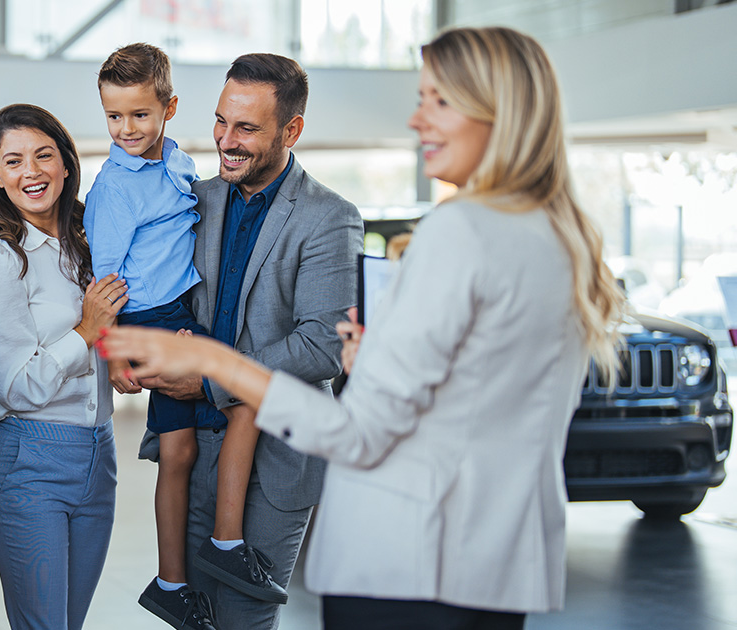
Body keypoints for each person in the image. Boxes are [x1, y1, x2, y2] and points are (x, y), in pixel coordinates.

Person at [99, 26, 627, 630]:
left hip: (410, 547)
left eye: (438, 100)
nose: (416, 120)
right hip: (497, 557)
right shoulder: (563, 239)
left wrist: (217, 369)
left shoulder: (449, 231)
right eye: (222, 122)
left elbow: (362, 430)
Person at [133, 53, 364, 630]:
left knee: (242, 618)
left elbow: (323, 345)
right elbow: (158, 291)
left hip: (276, 463)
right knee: (191, 616)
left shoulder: (330, 218)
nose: (225, 141)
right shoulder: (193, 199)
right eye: (220, 121)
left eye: (246, 128)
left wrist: (213, 377)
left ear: (292, 130)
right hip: (190, 444)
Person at [83, 42, 267, 630]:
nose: (126, 128)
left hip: (185, 312)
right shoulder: (114, 188)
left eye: (140, 114)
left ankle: (208, 552)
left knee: (217, 422)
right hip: (148, 320)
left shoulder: (182, 164)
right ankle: (183, 573)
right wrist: (114, 353)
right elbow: (105, 281)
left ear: (169, 108)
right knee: (186, 445)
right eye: (114, 116)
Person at [0, 103, 129, 630]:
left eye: (43, 155)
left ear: (66, 164)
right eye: (13, 162)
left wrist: (118, 358)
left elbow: (105, 337)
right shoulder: (2, 259)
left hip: (98, 454)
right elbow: (15, 385)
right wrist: (86, 331)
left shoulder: (89, 243)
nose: (31, 172)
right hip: (28, 460)